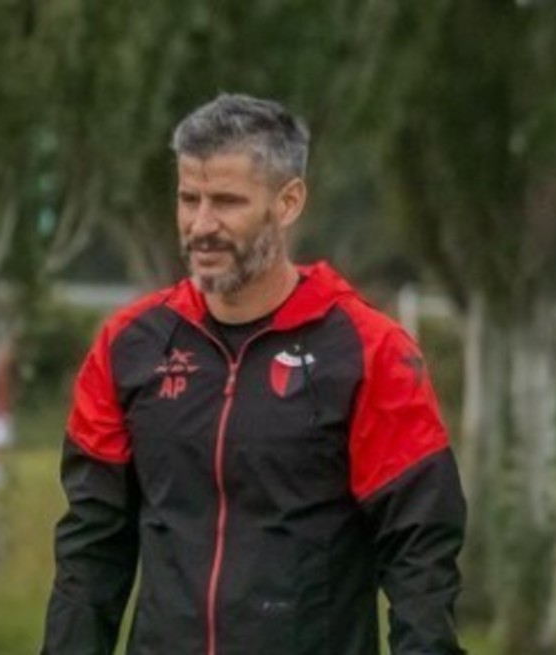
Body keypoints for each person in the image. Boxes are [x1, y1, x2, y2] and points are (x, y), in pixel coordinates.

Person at [41, 94, 467, 655]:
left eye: (227, 201)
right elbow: (90, 552)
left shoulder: (371, 352)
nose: (201, 225)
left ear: (288, 202)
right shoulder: (128, 346)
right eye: (189, 199)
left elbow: (420, 557)